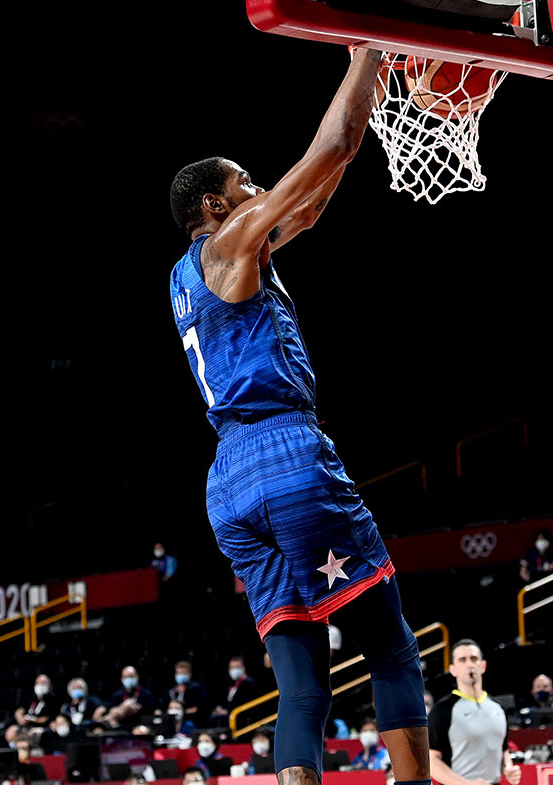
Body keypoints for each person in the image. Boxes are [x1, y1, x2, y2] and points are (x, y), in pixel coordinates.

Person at [168, 46, 430, 785]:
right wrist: (367, 54)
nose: (258, 191)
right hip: (285, 457)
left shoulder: (194, 276)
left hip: (228, 480)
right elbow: (333, 146)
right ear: (216, 206)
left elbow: (309, 200)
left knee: (304, 685)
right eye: (244, 184)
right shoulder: (227, 244)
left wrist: (363, 102)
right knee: (390, 645)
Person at [427, 639, 523, 785]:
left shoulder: (498, 708)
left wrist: (508, 768)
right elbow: (431, 761)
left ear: (483, 665)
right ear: (452, 669)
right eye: (462, 660)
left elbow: (502, 749)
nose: (469, 664)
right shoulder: (442, 710)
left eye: (474, 659)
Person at [210, 656, 259, 722]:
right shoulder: (231, 684)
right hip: (231, 715)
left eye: (236, 667)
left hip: (242, 717)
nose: (234, 670)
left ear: (243, 667)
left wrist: (227, 712)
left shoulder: (249, 683)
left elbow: (245, 703)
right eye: (231, 668)